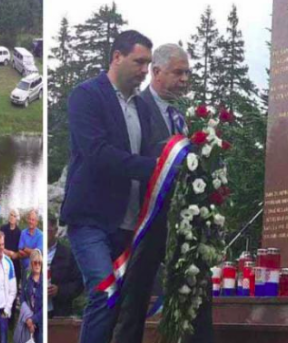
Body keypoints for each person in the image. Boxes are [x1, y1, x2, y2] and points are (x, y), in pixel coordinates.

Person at [61, 30, 158, 343]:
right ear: (117, 57)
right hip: (90, 220)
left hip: (129, 225)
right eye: (139, 61)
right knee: (104, 293)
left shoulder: (143, 108)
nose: (145, 70)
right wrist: (153, 167)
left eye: (149, 63)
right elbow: (97, 153)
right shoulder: (86, 96)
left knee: (125, 306)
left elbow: (151, 157)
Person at [114, 43, 214, 342]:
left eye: (188, 72)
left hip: (183, 224)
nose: (185, 79)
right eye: (178, 72)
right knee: (134, 304)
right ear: (156, 72)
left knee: (195, 292)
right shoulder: (136, 108)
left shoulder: (182, 116)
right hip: (145, 221)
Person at [47, 212, 82, 318]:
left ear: (55, 230)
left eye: (48, 231)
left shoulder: (68, 255)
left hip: (59, 312)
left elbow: (79, 284)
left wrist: (60, 290)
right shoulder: (36, 252)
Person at [17, 248, 44, 343]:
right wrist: (28, 319)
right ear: (31, 263)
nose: (37, 265)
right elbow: (22, 297)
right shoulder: (27, 276)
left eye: (39, 263)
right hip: (27, 321)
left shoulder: (44, 281)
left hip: (40, 324)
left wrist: (33, 320)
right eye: (35, 263)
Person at [2, 208, 23, 293]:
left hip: (14, 263)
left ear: (17, 218)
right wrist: (8, 252)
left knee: (13, 289)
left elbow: (20, 250)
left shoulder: (19, 232)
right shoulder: (3, 229)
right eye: (11, 215)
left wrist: (15, 254)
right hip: (3, 260)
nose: (12, 217)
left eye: (14, 216)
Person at [18, 209, 43, 276]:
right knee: (25, 286)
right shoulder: (23, 233)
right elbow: (20, 251)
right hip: (25, 268)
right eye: (29, 219)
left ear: (36, 222)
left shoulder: (41, 235)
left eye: (33, 220)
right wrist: (33, 253)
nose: (31, 221)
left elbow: (38, 253)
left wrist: (25, 249)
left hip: (36, 269)